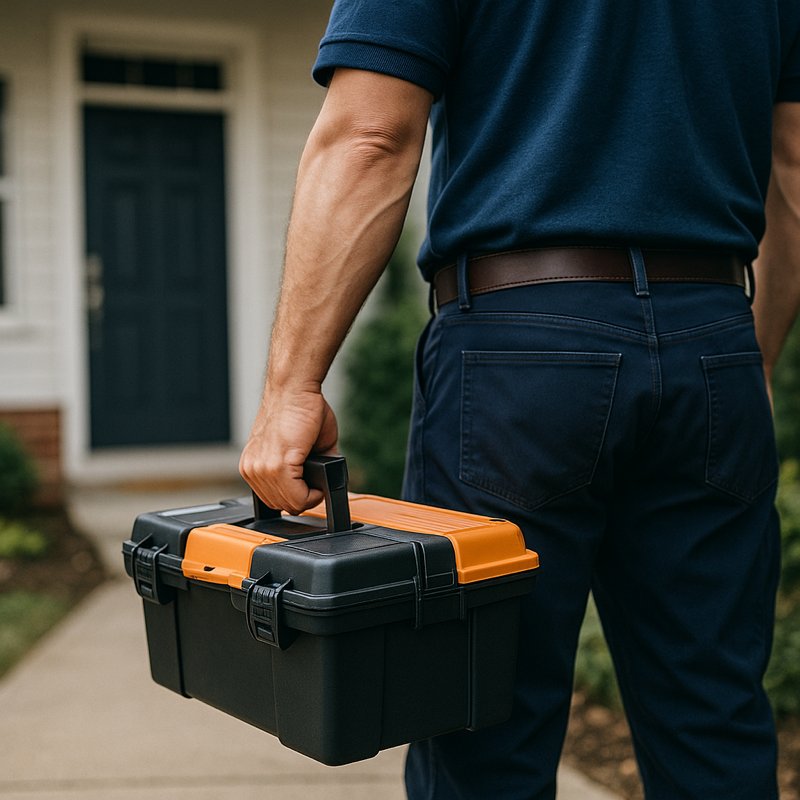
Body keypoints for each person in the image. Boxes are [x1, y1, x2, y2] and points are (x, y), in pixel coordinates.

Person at [239, 1, 800, 798]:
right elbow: (794, 160)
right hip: (713, 339)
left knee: (480, 724)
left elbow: (370, 134)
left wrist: (292, 386)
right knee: (713, 718)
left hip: (518, 352)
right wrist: (755, 359)